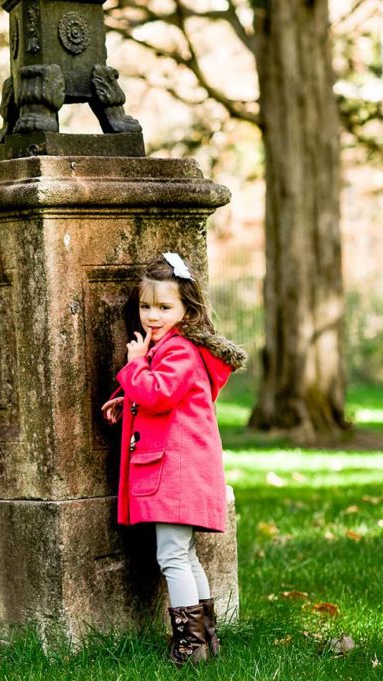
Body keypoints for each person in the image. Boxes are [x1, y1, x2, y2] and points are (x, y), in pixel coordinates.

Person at [101, 253, 246, 666]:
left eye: (165, 307)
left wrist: (131, 369)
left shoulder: (179, 350)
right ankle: (206, 637)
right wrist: (124, 398)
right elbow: (157, 393)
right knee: (183, 554)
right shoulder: (169, 349)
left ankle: (189, 645)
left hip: (176, 472)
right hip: (177, 469)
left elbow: (160, 393)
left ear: (186, 309)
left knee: (172, 556)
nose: (152, 315)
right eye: (146, 306)